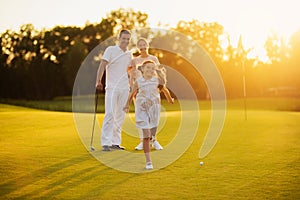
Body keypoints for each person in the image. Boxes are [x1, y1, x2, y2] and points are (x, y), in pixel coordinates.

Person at [129, 38, 174, 151]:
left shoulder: (153, 58)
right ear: (138, 47)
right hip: (140, 91)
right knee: (141, 118)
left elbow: (159, 73)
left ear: (147, 45)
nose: (142, 46)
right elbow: (132, 73)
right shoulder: (135, 60)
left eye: (144, 44)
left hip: (152, 90)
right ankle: (143, 141)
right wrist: (132, 87)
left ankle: (154, 140)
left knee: (153, 117)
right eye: (140, 45)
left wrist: (161, 88)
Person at [123, 61, 166, 170]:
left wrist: (170, 99)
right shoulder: (139, 82)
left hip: (153, 110)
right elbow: (132, 93)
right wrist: (127, 104)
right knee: (146, 135)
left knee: (151, 134)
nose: (150, 70)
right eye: (148, 67)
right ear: (142, 69)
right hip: (141, 109)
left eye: (152, 68)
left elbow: (163, 88)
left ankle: (153, 139)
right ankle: (148, 161)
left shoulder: (157, 81)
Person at [95, 29, 132, 151]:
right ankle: (106, 142)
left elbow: (130, 71)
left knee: (120, 116)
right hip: (112, 88)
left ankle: (115, 142)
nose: (125, 41)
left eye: (128, 39)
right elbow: (102, 66)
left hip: (124, 88)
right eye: (124, 38)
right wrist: (98, 81)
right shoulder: (110, 50)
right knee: (110, 114)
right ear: (119, 38)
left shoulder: (129, 54)